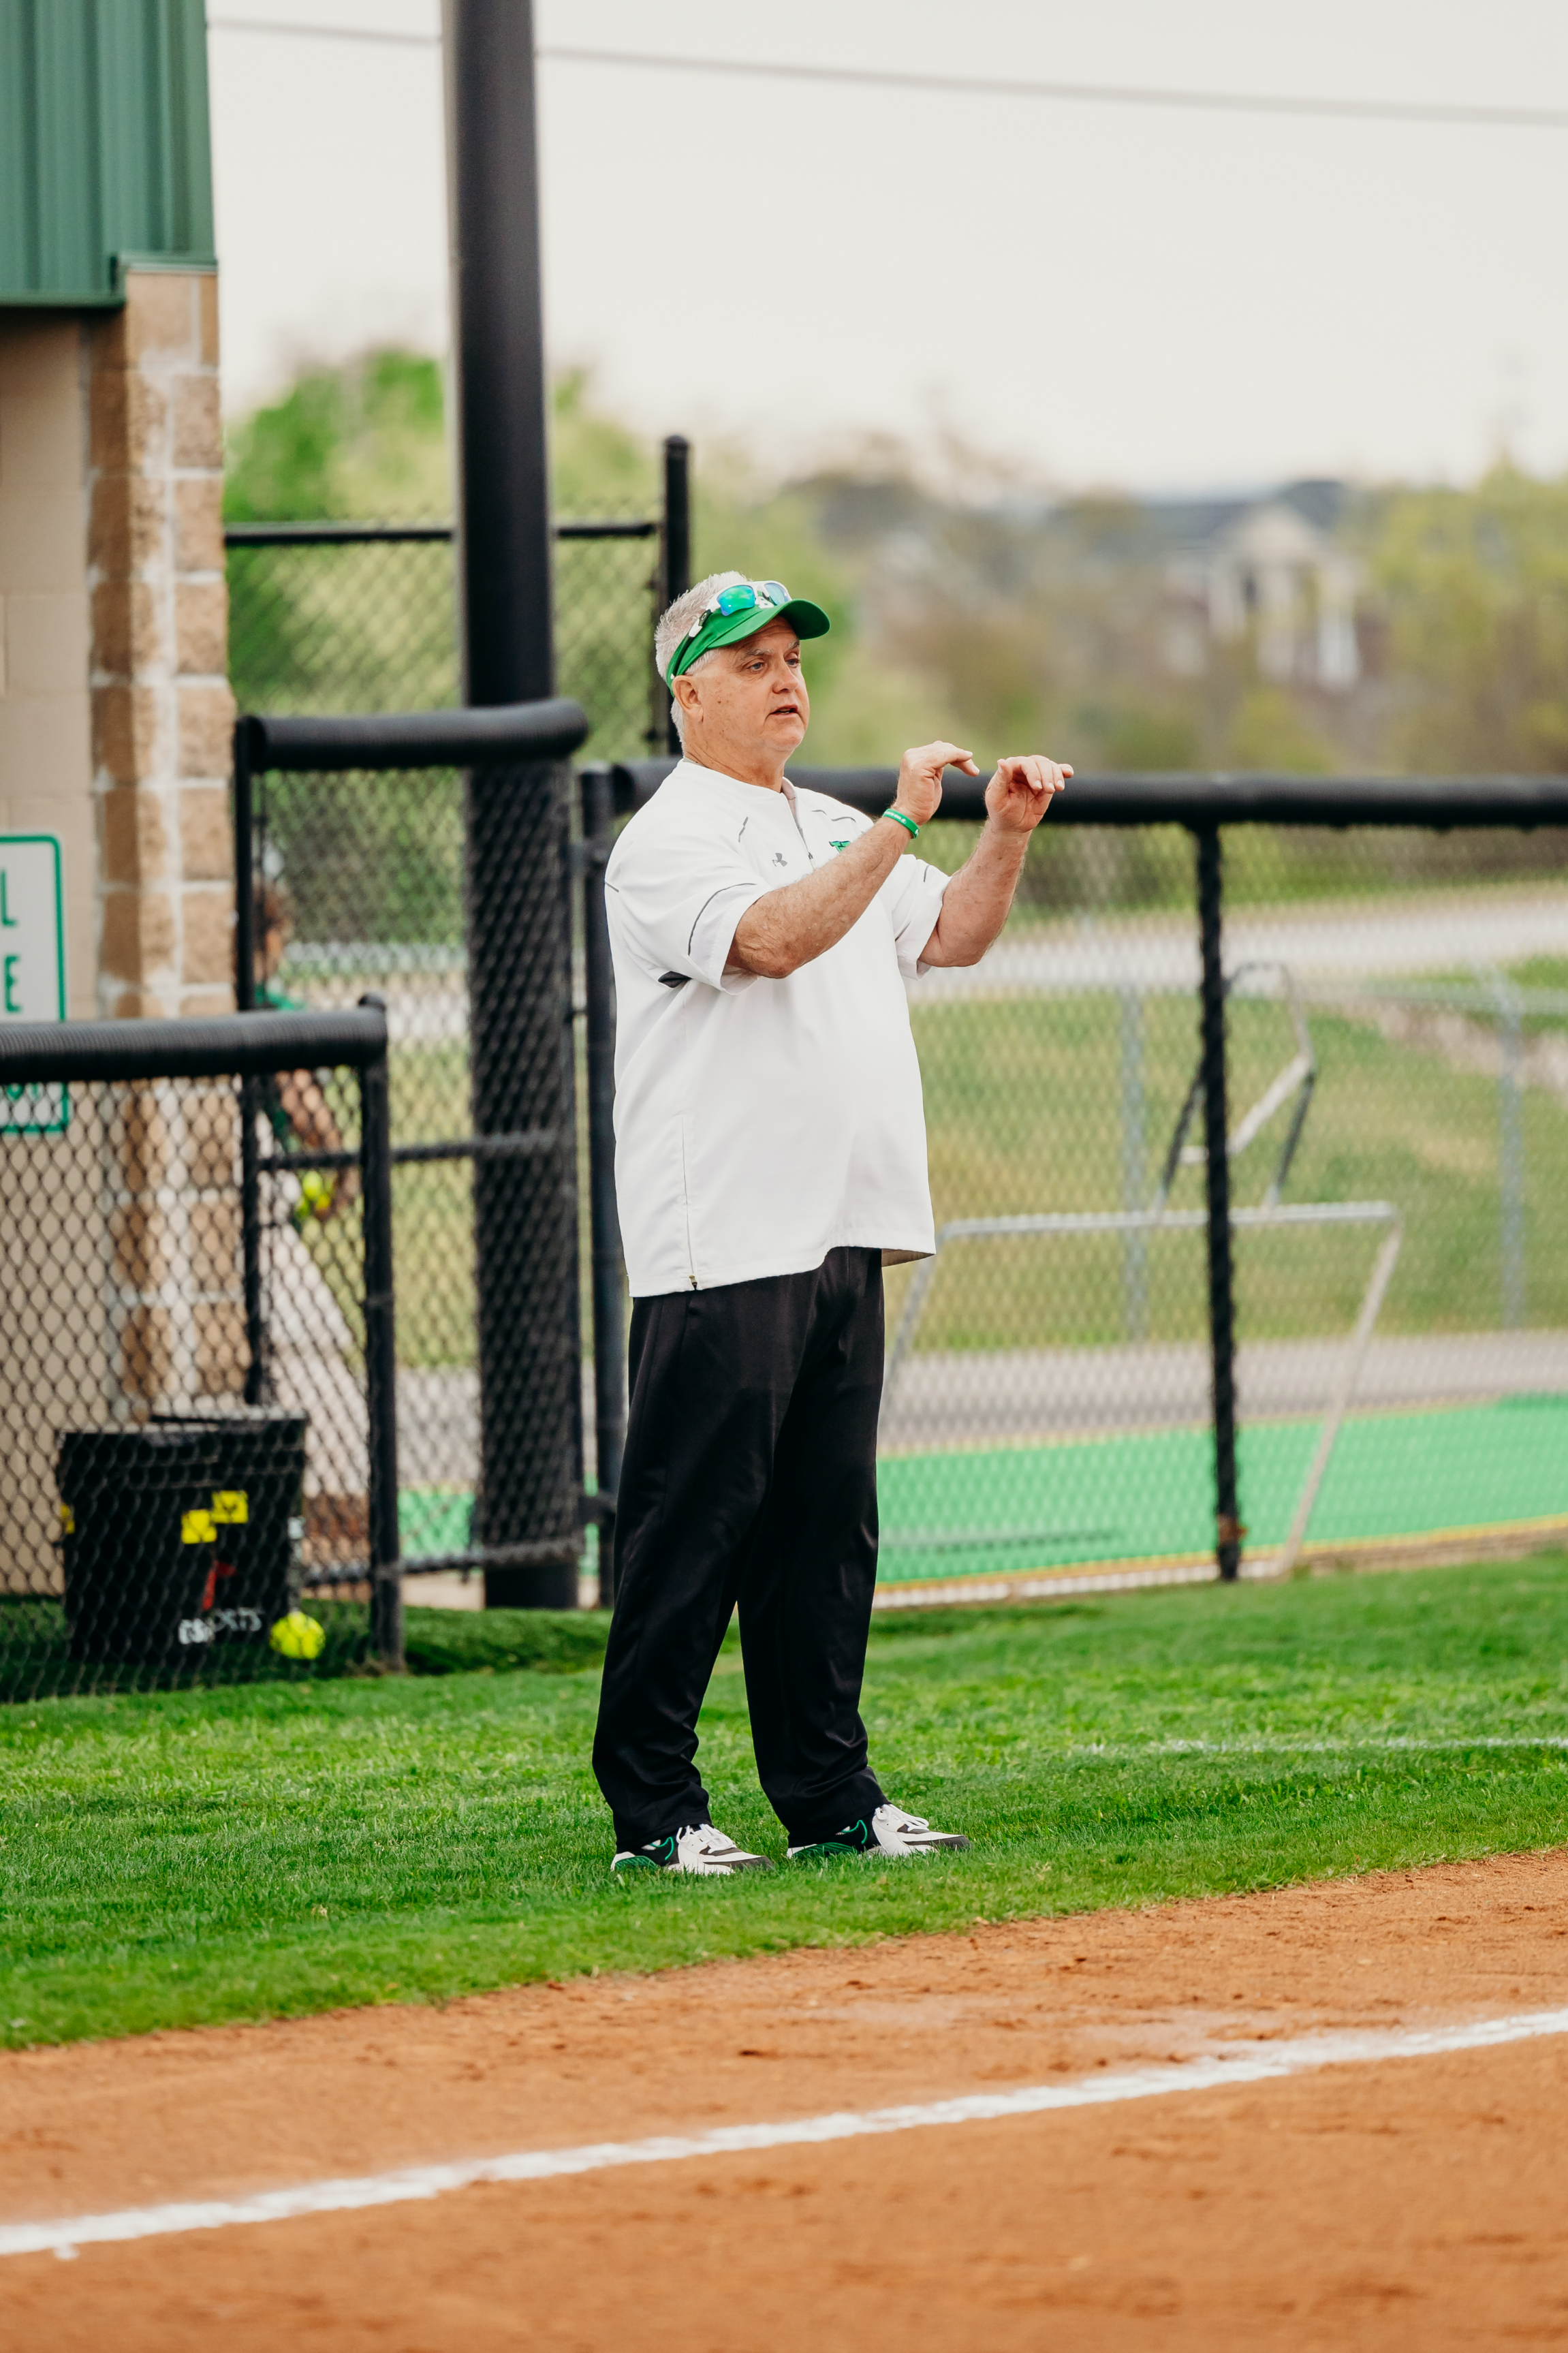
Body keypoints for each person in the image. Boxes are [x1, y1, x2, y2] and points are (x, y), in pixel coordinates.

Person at [594, 572, 1069, 1875]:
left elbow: (955, 935)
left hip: (841, 1232)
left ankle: (830, 1798)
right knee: (691, 1533)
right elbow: (769, 944)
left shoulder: (833, 822)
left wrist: (1001, 831)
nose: (784, 676)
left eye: (793, 654)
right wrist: (898, 827)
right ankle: (655, 1815)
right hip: (726, 1235)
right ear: (686, 690)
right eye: (749, 661)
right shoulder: (668, 837)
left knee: (821, 1534)